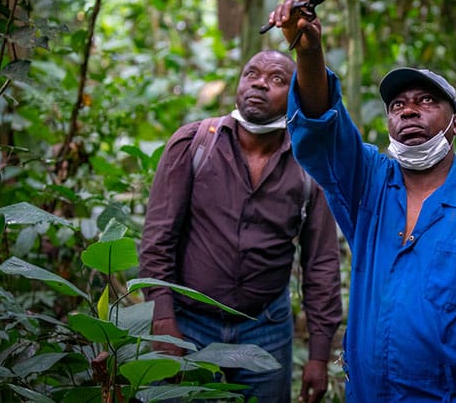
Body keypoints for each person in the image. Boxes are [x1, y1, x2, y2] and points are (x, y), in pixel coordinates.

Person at [265, 0, 456, 402]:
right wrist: (309, 51)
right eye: (398, 105)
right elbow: (324, 130)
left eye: (427, 101)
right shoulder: (368, 184)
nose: (409, 109)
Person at [139, 49, 343, 403]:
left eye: (277, 79)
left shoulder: (308, 164)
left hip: (265, 327)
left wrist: (319, 354)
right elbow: (158, 240)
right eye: (251, 74)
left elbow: (321, 263)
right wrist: (162, 320)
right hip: (188, 324)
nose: (260, 84)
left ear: (294, 92)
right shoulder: (193, 144)